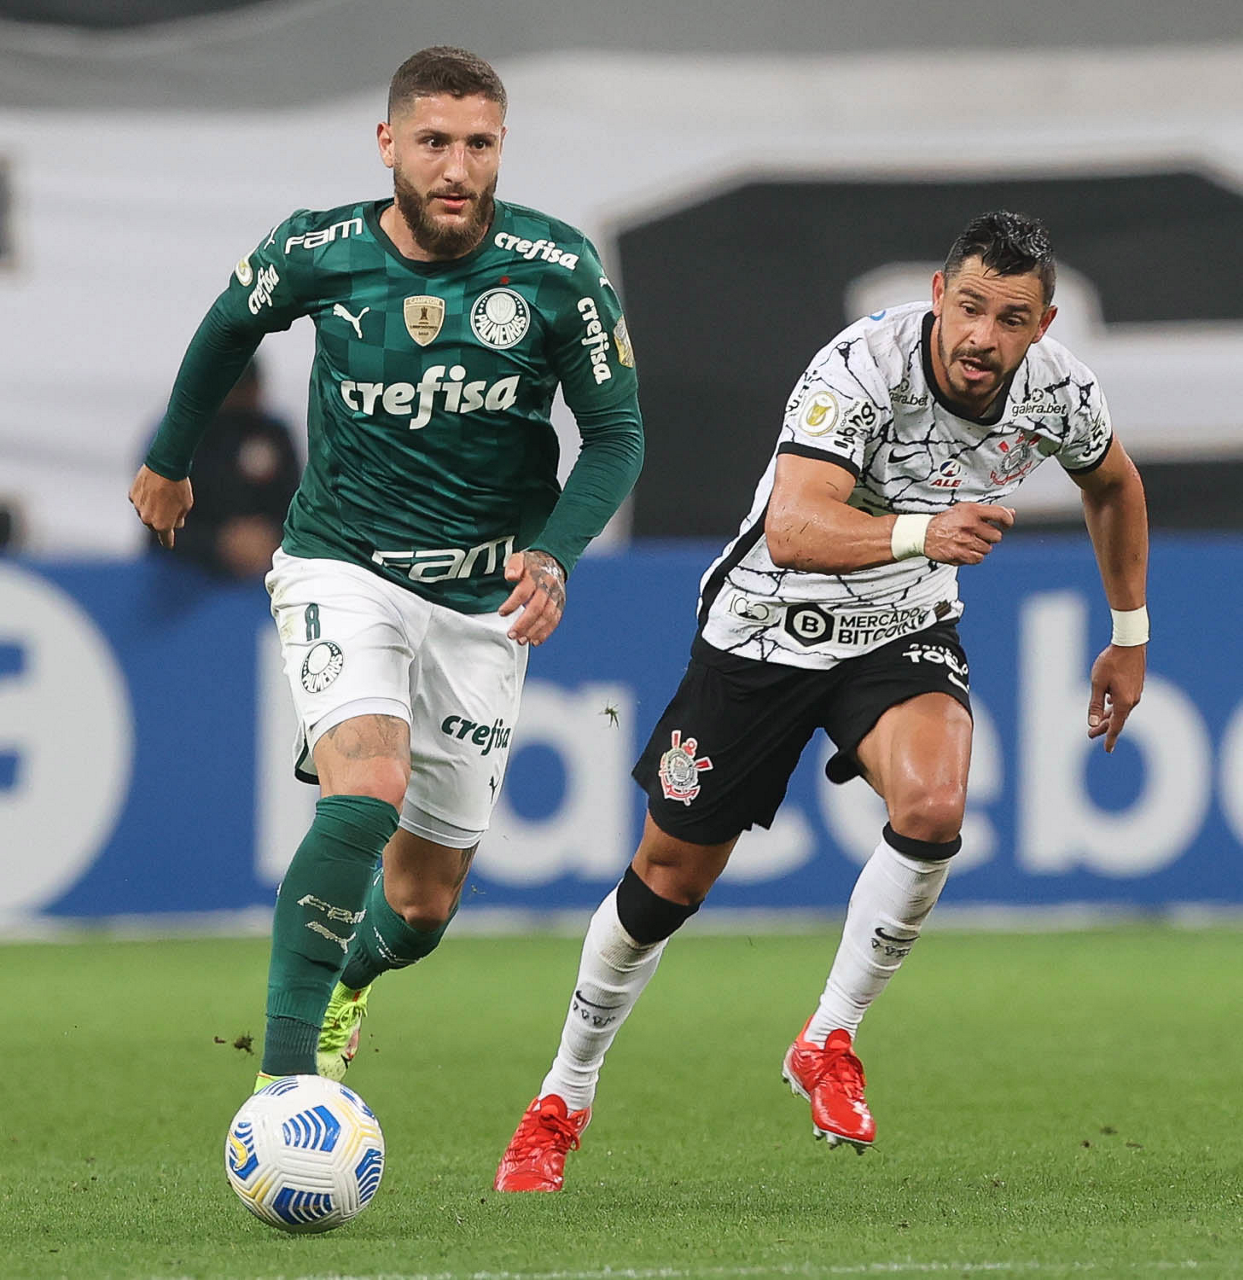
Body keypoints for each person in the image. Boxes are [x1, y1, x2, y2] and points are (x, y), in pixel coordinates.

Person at [492, 210, 1148, 1192]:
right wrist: (923, 533)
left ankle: (828, 1035)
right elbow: (794, 529)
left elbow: (1114, 484)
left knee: (934, 806)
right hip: (767, 628)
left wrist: (1128, 635)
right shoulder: (860, 367)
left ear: (1042, 325)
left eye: (1011, 318)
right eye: (969, 307)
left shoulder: (1059, 390)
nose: (983, 336)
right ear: (938, 295)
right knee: (665, 884)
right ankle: (562, 1095)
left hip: (898, 627)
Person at [128, 46, 643, 1091]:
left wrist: (553, 551)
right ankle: (282, 1087)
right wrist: (169, 461)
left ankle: (350, 979)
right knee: (366, 789)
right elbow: (229, 327)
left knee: (419, 905)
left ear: (501, 146)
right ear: (388, 143)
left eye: (478, 144)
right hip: (343, 564)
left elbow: (617, 434)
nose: (456, 168)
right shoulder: (319, 249)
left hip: (483, 597)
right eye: (433, 142)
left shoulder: (556, 270)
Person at [141, 358, 301, 579]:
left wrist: (271, 538)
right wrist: (219, 543)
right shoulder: (177, 438)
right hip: (183, 574)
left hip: (264, 571)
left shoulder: (273, 434)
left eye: (246, 389)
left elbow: (296, 507)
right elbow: (157, 523)